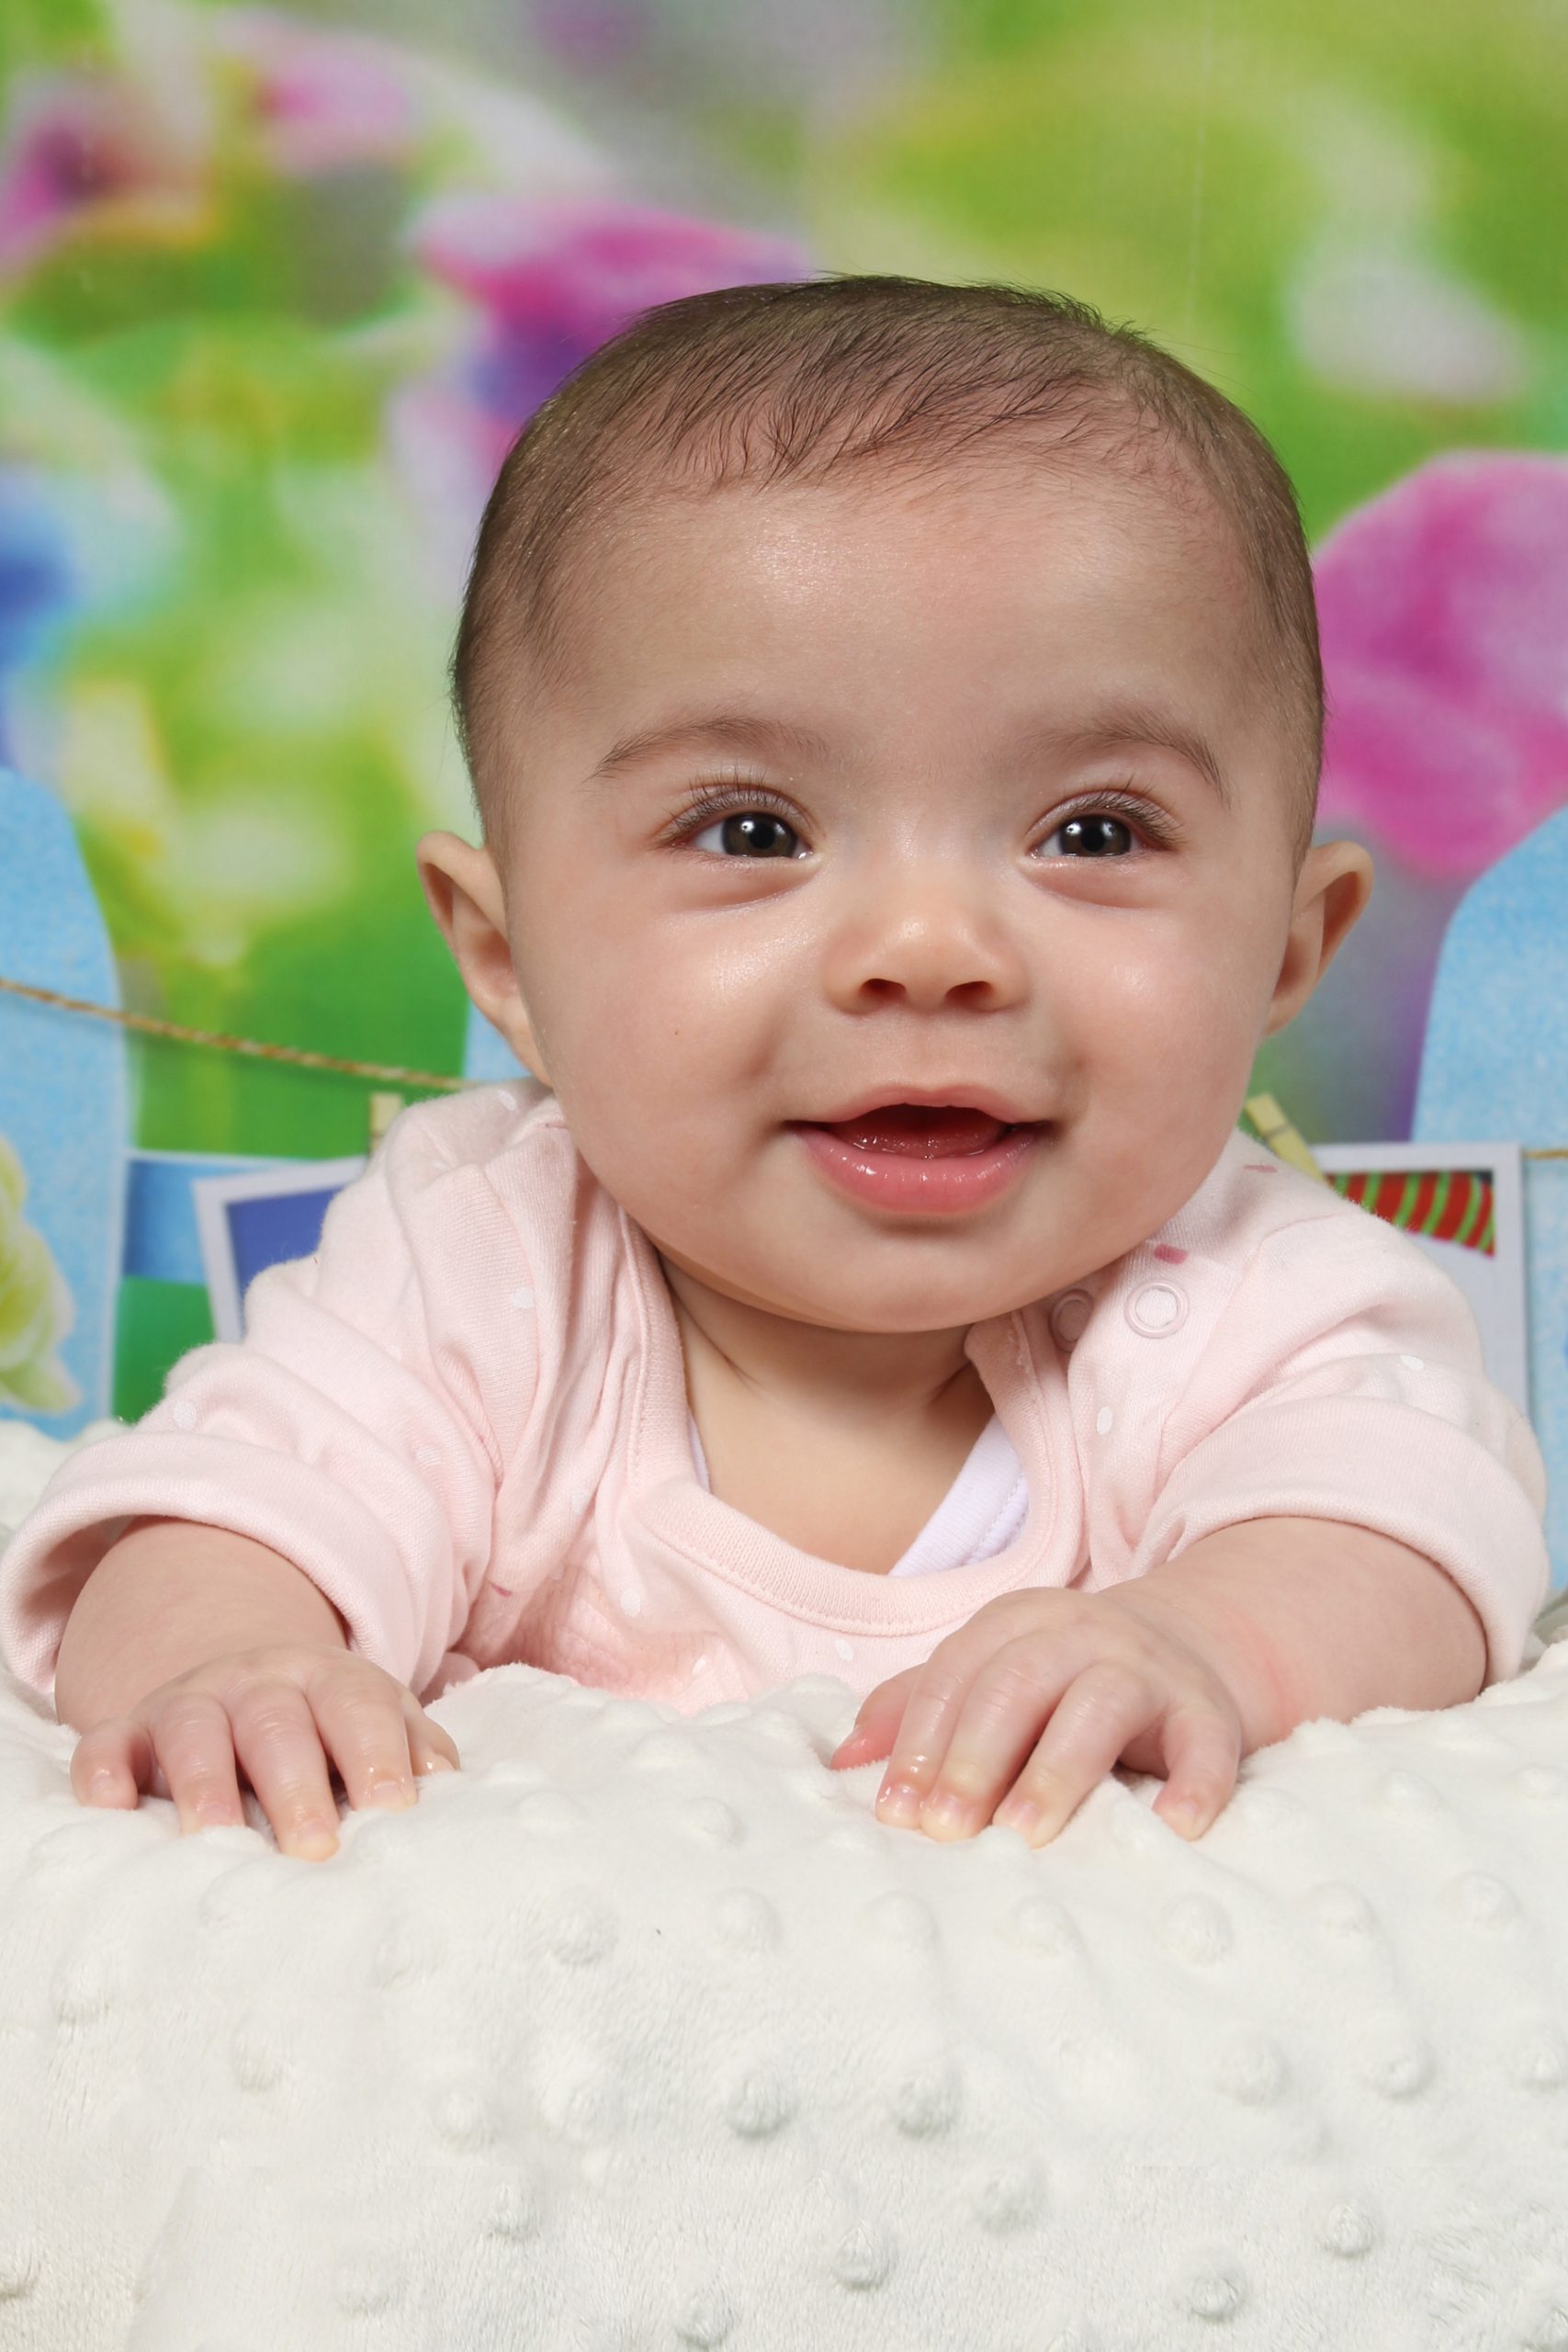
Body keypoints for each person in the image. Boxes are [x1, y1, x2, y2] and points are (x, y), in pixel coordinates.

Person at [0, 277, 1547, 1866]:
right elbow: (225, 1516)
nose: (930, 948)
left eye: (1094, 832)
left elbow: (1410, 1538)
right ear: (507, 957)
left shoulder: (1257, 1297)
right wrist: (233, 1661)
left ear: (1287, 952)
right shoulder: (481, 1262)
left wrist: (1202, 1640)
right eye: (752, 830)